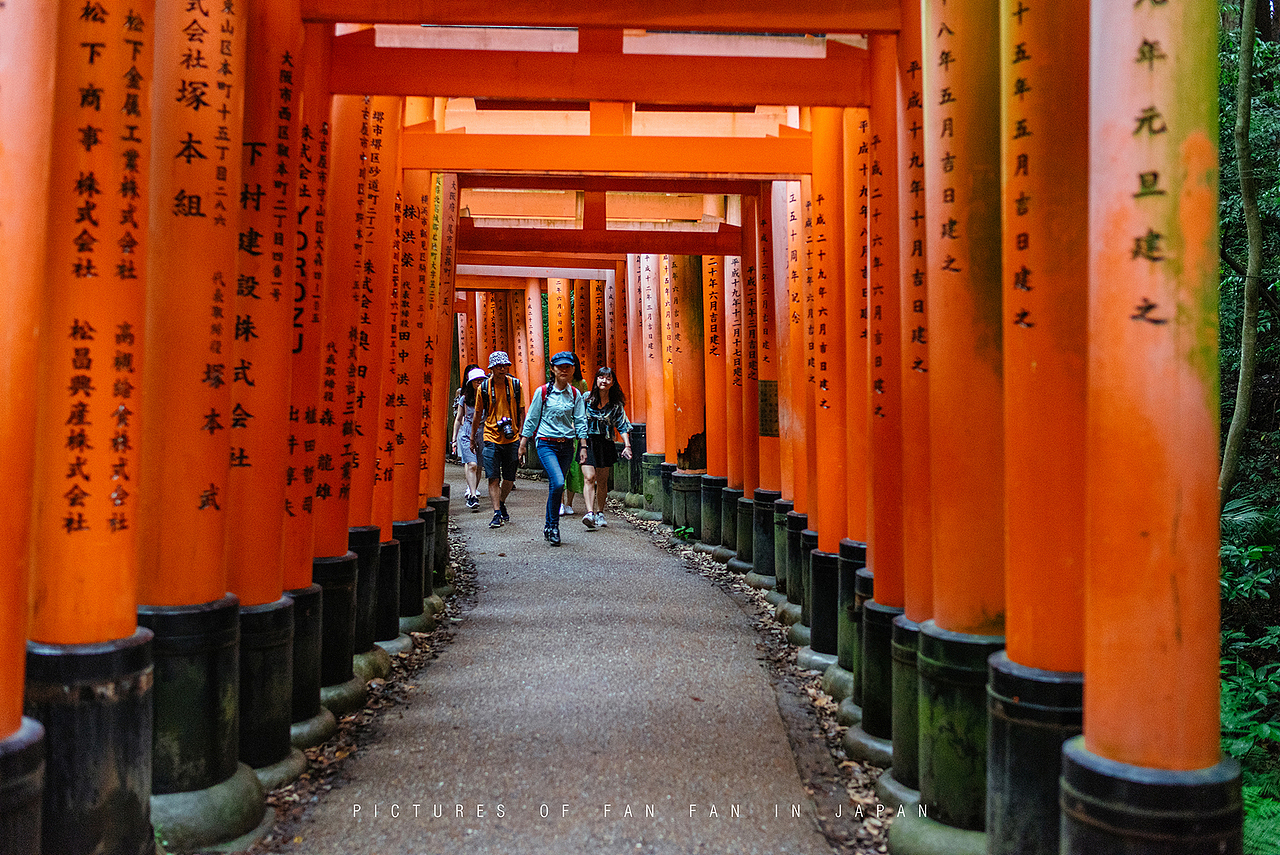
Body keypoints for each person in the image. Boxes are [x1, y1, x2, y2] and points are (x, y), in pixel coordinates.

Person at [519, 351, 587, 546]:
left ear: (573, 369)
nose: (564, 370)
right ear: (552, 369)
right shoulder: (542, 392)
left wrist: (583, 446)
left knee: (555, 486)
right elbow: (532, 418)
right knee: (557, 483)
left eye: (568, 367)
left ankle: (549, 527)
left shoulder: (575, 394)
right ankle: (554, 526)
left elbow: (581, 421)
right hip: (546, 443)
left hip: (567, 445)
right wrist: (523, 444)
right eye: (560, 367)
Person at [471, 351, 524, 529]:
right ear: (492, 368)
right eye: (499, 366)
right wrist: (472, 437)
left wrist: (522, 435)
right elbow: (478, 414)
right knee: (493, 477)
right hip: (490, 436)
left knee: (509, 478)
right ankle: (496, 513)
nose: (502, 369)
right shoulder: (484, 388)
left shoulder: (516, 385)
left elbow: (522, 411)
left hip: (512, 437)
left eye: (505, 366)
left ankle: (501, 503)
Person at [580, 366, 632, 530]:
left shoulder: (615, 404)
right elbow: (577, 418)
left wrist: (627, 445)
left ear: (613, 382)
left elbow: (622, 425)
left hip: (605, 442)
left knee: (602, 481)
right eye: (601, 377)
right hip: (587, 441)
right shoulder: (586, 398)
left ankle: (600, 512)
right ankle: (590, 513)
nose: (604, 381)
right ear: (596, 380)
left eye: (608, 378)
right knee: (589, 477)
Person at [451, 364, 485, 510]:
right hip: (467, 432)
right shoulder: (464, 399)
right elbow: (458, 418)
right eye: (477, 380)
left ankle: (473, 490)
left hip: (482, 432)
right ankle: (472, 495)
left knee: (479, 466)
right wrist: (454, 439)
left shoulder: (488, 397)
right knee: (472, 464)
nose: (479, 383)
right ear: (470, 382)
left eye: (482, 380)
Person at [560, 351, 587, 516]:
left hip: (575, 431)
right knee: (561, 468)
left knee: (574, 469)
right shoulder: (555, 384)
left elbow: (583, 408)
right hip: (559, 430)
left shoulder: (581, 383)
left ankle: (569, 503)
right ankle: (560, 502)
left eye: (569, 365)